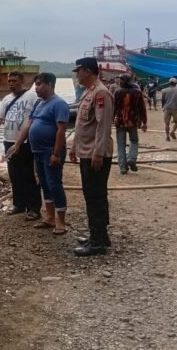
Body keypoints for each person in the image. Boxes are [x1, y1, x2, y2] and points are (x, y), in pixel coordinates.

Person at [8, 73, 70, 234]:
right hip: (37, 151)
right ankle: (49, 217)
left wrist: (56, 154)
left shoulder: (59, 104)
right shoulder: (39, 104)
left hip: (50, 151)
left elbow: (61, 130)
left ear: (50, 84)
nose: (36, 88)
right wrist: (17, 144)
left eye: (40, 84)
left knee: (54, 184)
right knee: (44, 184)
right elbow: (29, 125)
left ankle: (61, 222)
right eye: (35, 84)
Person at [69, 57, 114, 256]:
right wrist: (73, 148)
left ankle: (97, 243)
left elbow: (103, 127)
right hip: (86, 151)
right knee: (93, 195)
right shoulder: (89, 92)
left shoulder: (101, 92)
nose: (76, 74)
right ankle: (99, 235)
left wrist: (98, 153)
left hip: (95, 154)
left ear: (87, 71)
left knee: (95, 196)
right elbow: (83, 125)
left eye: (78, 71)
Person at [0, 71, 41, 218]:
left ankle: (33, 208)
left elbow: (37, 115)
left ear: (22, 81)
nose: (11, 84)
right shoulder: (6, 99)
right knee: (14, 174)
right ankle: (18, 204)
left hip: (26, 141)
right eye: (9, 81)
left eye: (14, 81)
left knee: (28, 175)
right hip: (9, 141)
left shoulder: (32, 96)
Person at [114, 73, 147, 174]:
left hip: (120, 122)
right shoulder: (137, 93)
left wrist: (111, 119)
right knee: (134, 141)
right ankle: (132, 159)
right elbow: (142, 108)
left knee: (121, 144)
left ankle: (123, 167)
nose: (119, 82)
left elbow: (114, 108)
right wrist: (144, 122)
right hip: (133, 121)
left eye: (121, 80)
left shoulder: (117, 92)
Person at [161, 77, 177, 141]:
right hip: (175, 108)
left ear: (169, 83)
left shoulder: (164, 90)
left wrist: (163, 107)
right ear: (176, 83)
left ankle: (167, 136)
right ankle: (173, 131)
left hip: (167, 108)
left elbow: (163, 100)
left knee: (167, 123)